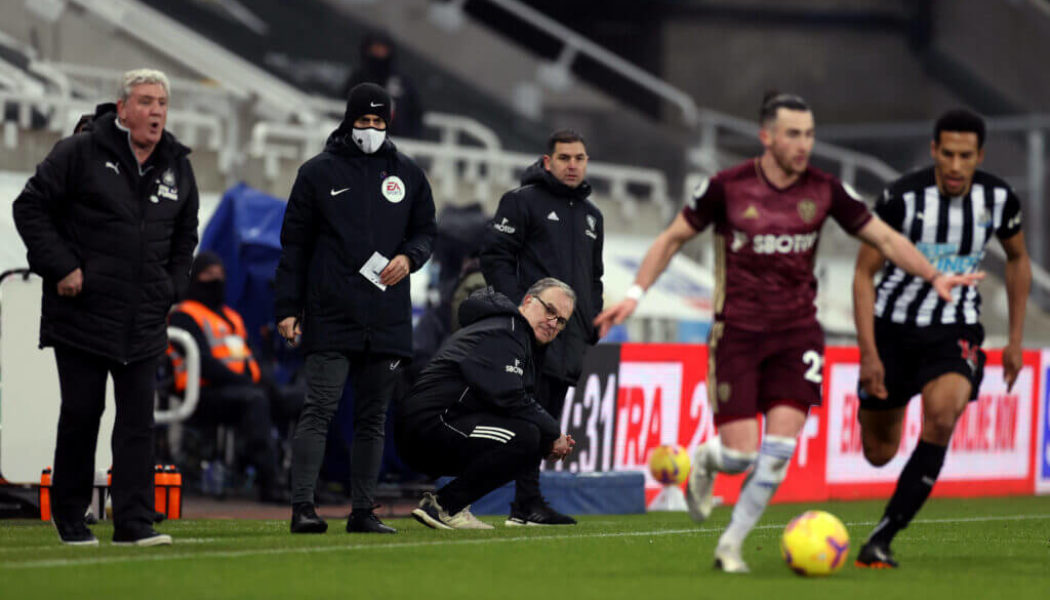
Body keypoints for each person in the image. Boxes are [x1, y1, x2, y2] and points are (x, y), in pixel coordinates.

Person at [594, 92, 981, 573]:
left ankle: (730, 546)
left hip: (797, 336)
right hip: (736, 332)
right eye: (793, 134)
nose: (804, 144)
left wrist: (933, 275)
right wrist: (634, 293)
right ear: (767, 137)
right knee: (740, 456)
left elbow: (884, 238)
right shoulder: (726, 187)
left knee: (777, 454)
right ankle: (707, 463)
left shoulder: (825, 189)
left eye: (810, 134)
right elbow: (673, 236)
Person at [12, 68, 198, 546]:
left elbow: (185, 235)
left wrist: (173, 287)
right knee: (82, 412)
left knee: (138, 421)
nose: (156, 111)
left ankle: (133, 522)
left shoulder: (178, 165)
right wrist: (61, 267)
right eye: (146, 101)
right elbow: (29, 208)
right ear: (122, 108)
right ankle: (70, 514)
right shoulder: (80, 152)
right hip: (82, 312)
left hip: (144, 316)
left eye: (162, 103)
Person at [851, 109, 1031, 568]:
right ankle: (892, 415)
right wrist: (869, 353)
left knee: (943, 415)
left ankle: (882, 538)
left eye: (965, 156)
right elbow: (863, 273)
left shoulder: (998, 198)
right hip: (892, 330)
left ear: (979, 156)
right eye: (947, 154)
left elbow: (1017, 259)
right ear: (934, 151)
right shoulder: (899, 199)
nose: (954, 165)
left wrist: (1014, 338)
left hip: (955, 329)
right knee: (878, 452)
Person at [274, 82, 436, 534]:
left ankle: (363, 511)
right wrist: (288, 308)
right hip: (331, 311)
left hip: (386, 316)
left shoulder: (408, 175)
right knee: (320, 407)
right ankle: (303, 507)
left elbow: (426, 231)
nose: (370, 130)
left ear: (389, 122)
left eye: (378, 122)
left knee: (372, 417)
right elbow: (294, 247)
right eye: (363, 122)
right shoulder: (316, 173)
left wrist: (410, 258)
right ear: (348, 121)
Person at [480, 129, 603, 526]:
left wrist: (592, 322)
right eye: (564, 158)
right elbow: (495, 258)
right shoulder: (521, 202)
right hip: (532, 335)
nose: (572, 165)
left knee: (547, 421)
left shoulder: (592, 217)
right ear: (547, 162)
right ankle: (525, 502)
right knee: (530, 420)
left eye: (579, 158)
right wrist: (522, 312)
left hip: (571, 339)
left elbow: (594, 278)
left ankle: (526, 503)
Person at [398, 281, 577, 529]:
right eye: (549, 310)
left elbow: (503, 400)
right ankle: (446, 506)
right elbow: (509, 397)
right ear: (527, 301)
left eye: (561, 321)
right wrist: (553, 432)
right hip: (430, 426)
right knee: (526, 437)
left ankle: (453, 505)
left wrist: (548, 437)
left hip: (435, 425)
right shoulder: (507, 331)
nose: (553, 322)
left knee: (532, 434)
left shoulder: (514, 332)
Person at [167, 252, 289, 503]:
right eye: (208, 274)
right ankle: (270, 484)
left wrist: (265, 381)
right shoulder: (184, 314)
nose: (216, 279)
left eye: (220, 274)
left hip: (240, 389)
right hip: (200, 393)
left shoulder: (231, 316)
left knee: (303, 398)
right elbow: (202, 362)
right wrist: (245, 381)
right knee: (255, 400)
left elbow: (250, 356)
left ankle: (306, 482)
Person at [343, 31, 424, 139]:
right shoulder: (358, 78)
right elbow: (343, 103)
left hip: (396, 139)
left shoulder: (402, 81)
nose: (379, 51)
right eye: (376, 47)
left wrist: (411, 136)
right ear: (367, 49)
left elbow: (416, 111)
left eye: (383, 48)